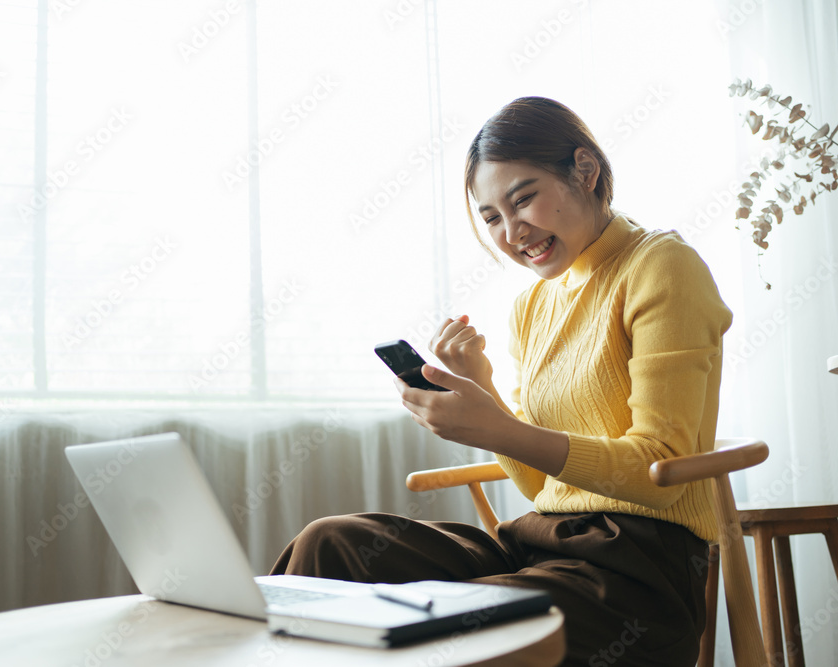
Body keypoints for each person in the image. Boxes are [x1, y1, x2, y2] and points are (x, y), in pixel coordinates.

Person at [270, 97, 732, 665]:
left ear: (584, 172)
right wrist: (481, 391)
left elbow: (658, 470)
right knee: (332, 543)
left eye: (524, 199)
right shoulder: (533, 304)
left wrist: (494, 425)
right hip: (539, 544)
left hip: (636, 571)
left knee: (446, 619)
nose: (513, 232)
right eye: (491, 217)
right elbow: (543, 490)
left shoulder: (660, 265)